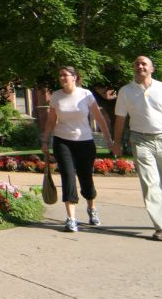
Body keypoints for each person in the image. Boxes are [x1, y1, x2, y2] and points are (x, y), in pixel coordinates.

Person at [110, 55, 162, 241]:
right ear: (133, 68)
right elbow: (120, 119)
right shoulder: (125, 91)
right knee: (149, 183)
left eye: (144, 63)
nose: (140, 66)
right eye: (137, 64)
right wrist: (116, 142)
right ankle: (161, 226)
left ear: (152, 68)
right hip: (140, 140)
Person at [41, 66, 114, 233]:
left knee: (85, 178)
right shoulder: (56, 96)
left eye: (65, 75)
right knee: (67, 176)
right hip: (62, 141)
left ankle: (91, 208)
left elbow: (99, 118)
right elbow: (51, 121)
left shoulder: (86, 94)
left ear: (74, 77)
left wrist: (108, 139)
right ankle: (71, 218)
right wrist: (45, 139)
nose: (62, 78)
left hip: (85, 141)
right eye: (60, 75)